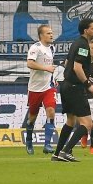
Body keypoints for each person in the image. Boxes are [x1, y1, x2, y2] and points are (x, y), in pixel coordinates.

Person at [53, 17, 93, 163]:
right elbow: (76, 67)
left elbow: (67, 63)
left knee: (70, 121)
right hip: (74, 87)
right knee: (87, 123)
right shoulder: (84, 45)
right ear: (86, 30)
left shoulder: (76, 43)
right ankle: (66, 151)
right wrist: (88, 85)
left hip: (66, 85)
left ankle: (57, 153)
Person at [23, 24, 58, 155]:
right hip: (34, 89)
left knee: (51, 111)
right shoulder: (35, 48)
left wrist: (53, 76)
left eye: (51, 32)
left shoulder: (52, 48)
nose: (51, 35)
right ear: (41, 35)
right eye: (48, 33)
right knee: (32, 117)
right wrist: (46, 68)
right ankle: (29, 141)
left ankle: (47, 144)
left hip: (49, 87)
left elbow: (50, 67)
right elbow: (29, 63)